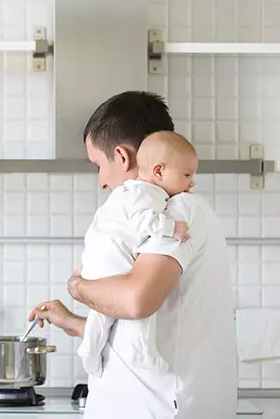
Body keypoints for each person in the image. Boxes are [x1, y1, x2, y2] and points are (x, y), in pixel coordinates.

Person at [29, 91, 237, 419]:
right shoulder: (164, 212)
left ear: (123, 157)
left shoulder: (178, 210)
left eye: (98, 165)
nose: (100, 181)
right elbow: (155, 329)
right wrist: (76, 324)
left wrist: (77, 286)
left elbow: (136, 302)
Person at [78, 130, 197, 378]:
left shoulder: (133, 192)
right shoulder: (148, 193)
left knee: (101, 317)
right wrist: (172, 227)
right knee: (140, 313)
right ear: (158, 171)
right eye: (187, 175)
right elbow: (144, 223)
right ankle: (144, 353)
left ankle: (89, 351)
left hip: (99, 261)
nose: (192, 182)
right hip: (114, 261)